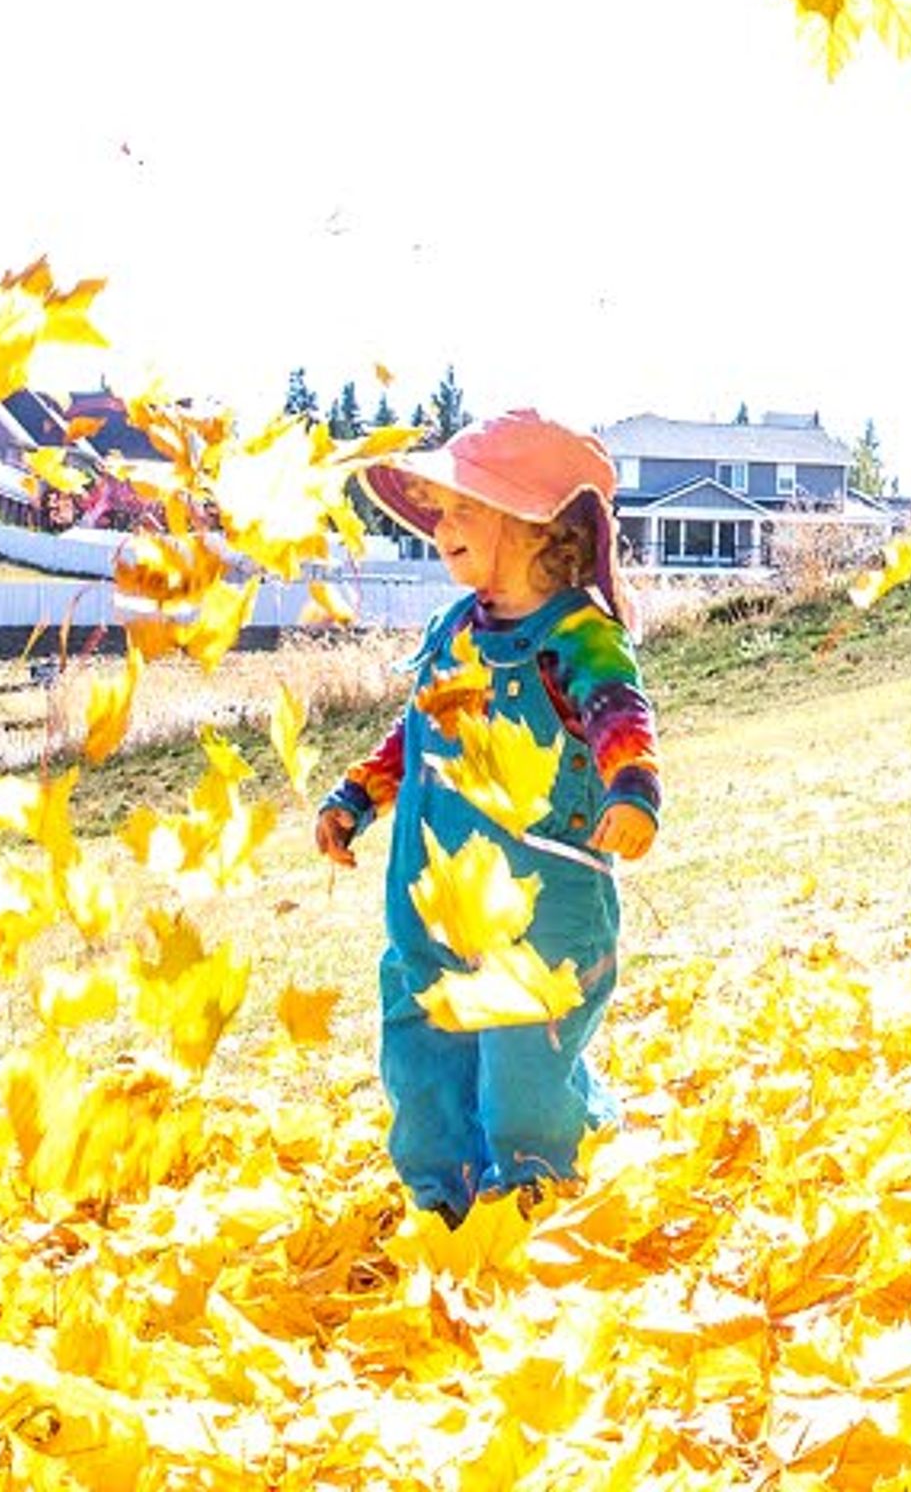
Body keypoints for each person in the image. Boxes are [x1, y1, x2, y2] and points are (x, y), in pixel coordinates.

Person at [313, 410, 662, 1219]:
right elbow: (418, 728)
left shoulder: (578, 636)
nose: (442, 525)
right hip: (431, 903)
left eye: (465, 506)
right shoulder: (453, 633)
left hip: (540, 917)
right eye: (438, 508)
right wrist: (359, 794)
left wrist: (633, 790)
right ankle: (444, 1200)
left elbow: (619, 715)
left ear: (538, 526)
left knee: (524, 1077)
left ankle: (536, 1193)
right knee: (426, 1061)